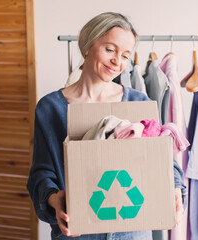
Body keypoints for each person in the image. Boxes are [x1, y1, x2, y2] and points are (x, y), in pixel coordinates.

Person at [27, 12, 186, 240]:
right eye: (110, 49)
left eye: (125, 55)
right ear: (87, 46)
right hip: (78, 232)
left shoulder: (138, 102)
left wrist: (175, 187)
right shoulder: (51, 108)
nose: (117, 61)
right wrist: (53, 198)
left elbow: (162, 162)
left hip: (132, 231)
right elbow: (42, 172)